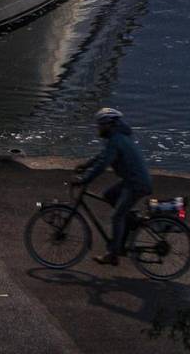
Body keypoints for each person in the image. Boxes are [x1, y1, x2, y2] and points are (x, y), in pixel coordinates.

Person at [73, 106, 153, 265]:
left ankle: (113, 254)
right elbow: (102, 156)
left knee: (116, 216)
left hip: (136, 184)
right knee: (109, 195)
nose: (98, 128)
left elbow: (102, 165)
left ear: (109, 124)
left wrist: (84, 180)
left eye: (100, 124)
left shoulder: (116, 140)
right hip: (133, 180)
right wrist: (86, 165)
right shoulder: (117, 138)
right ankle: (130, 219)